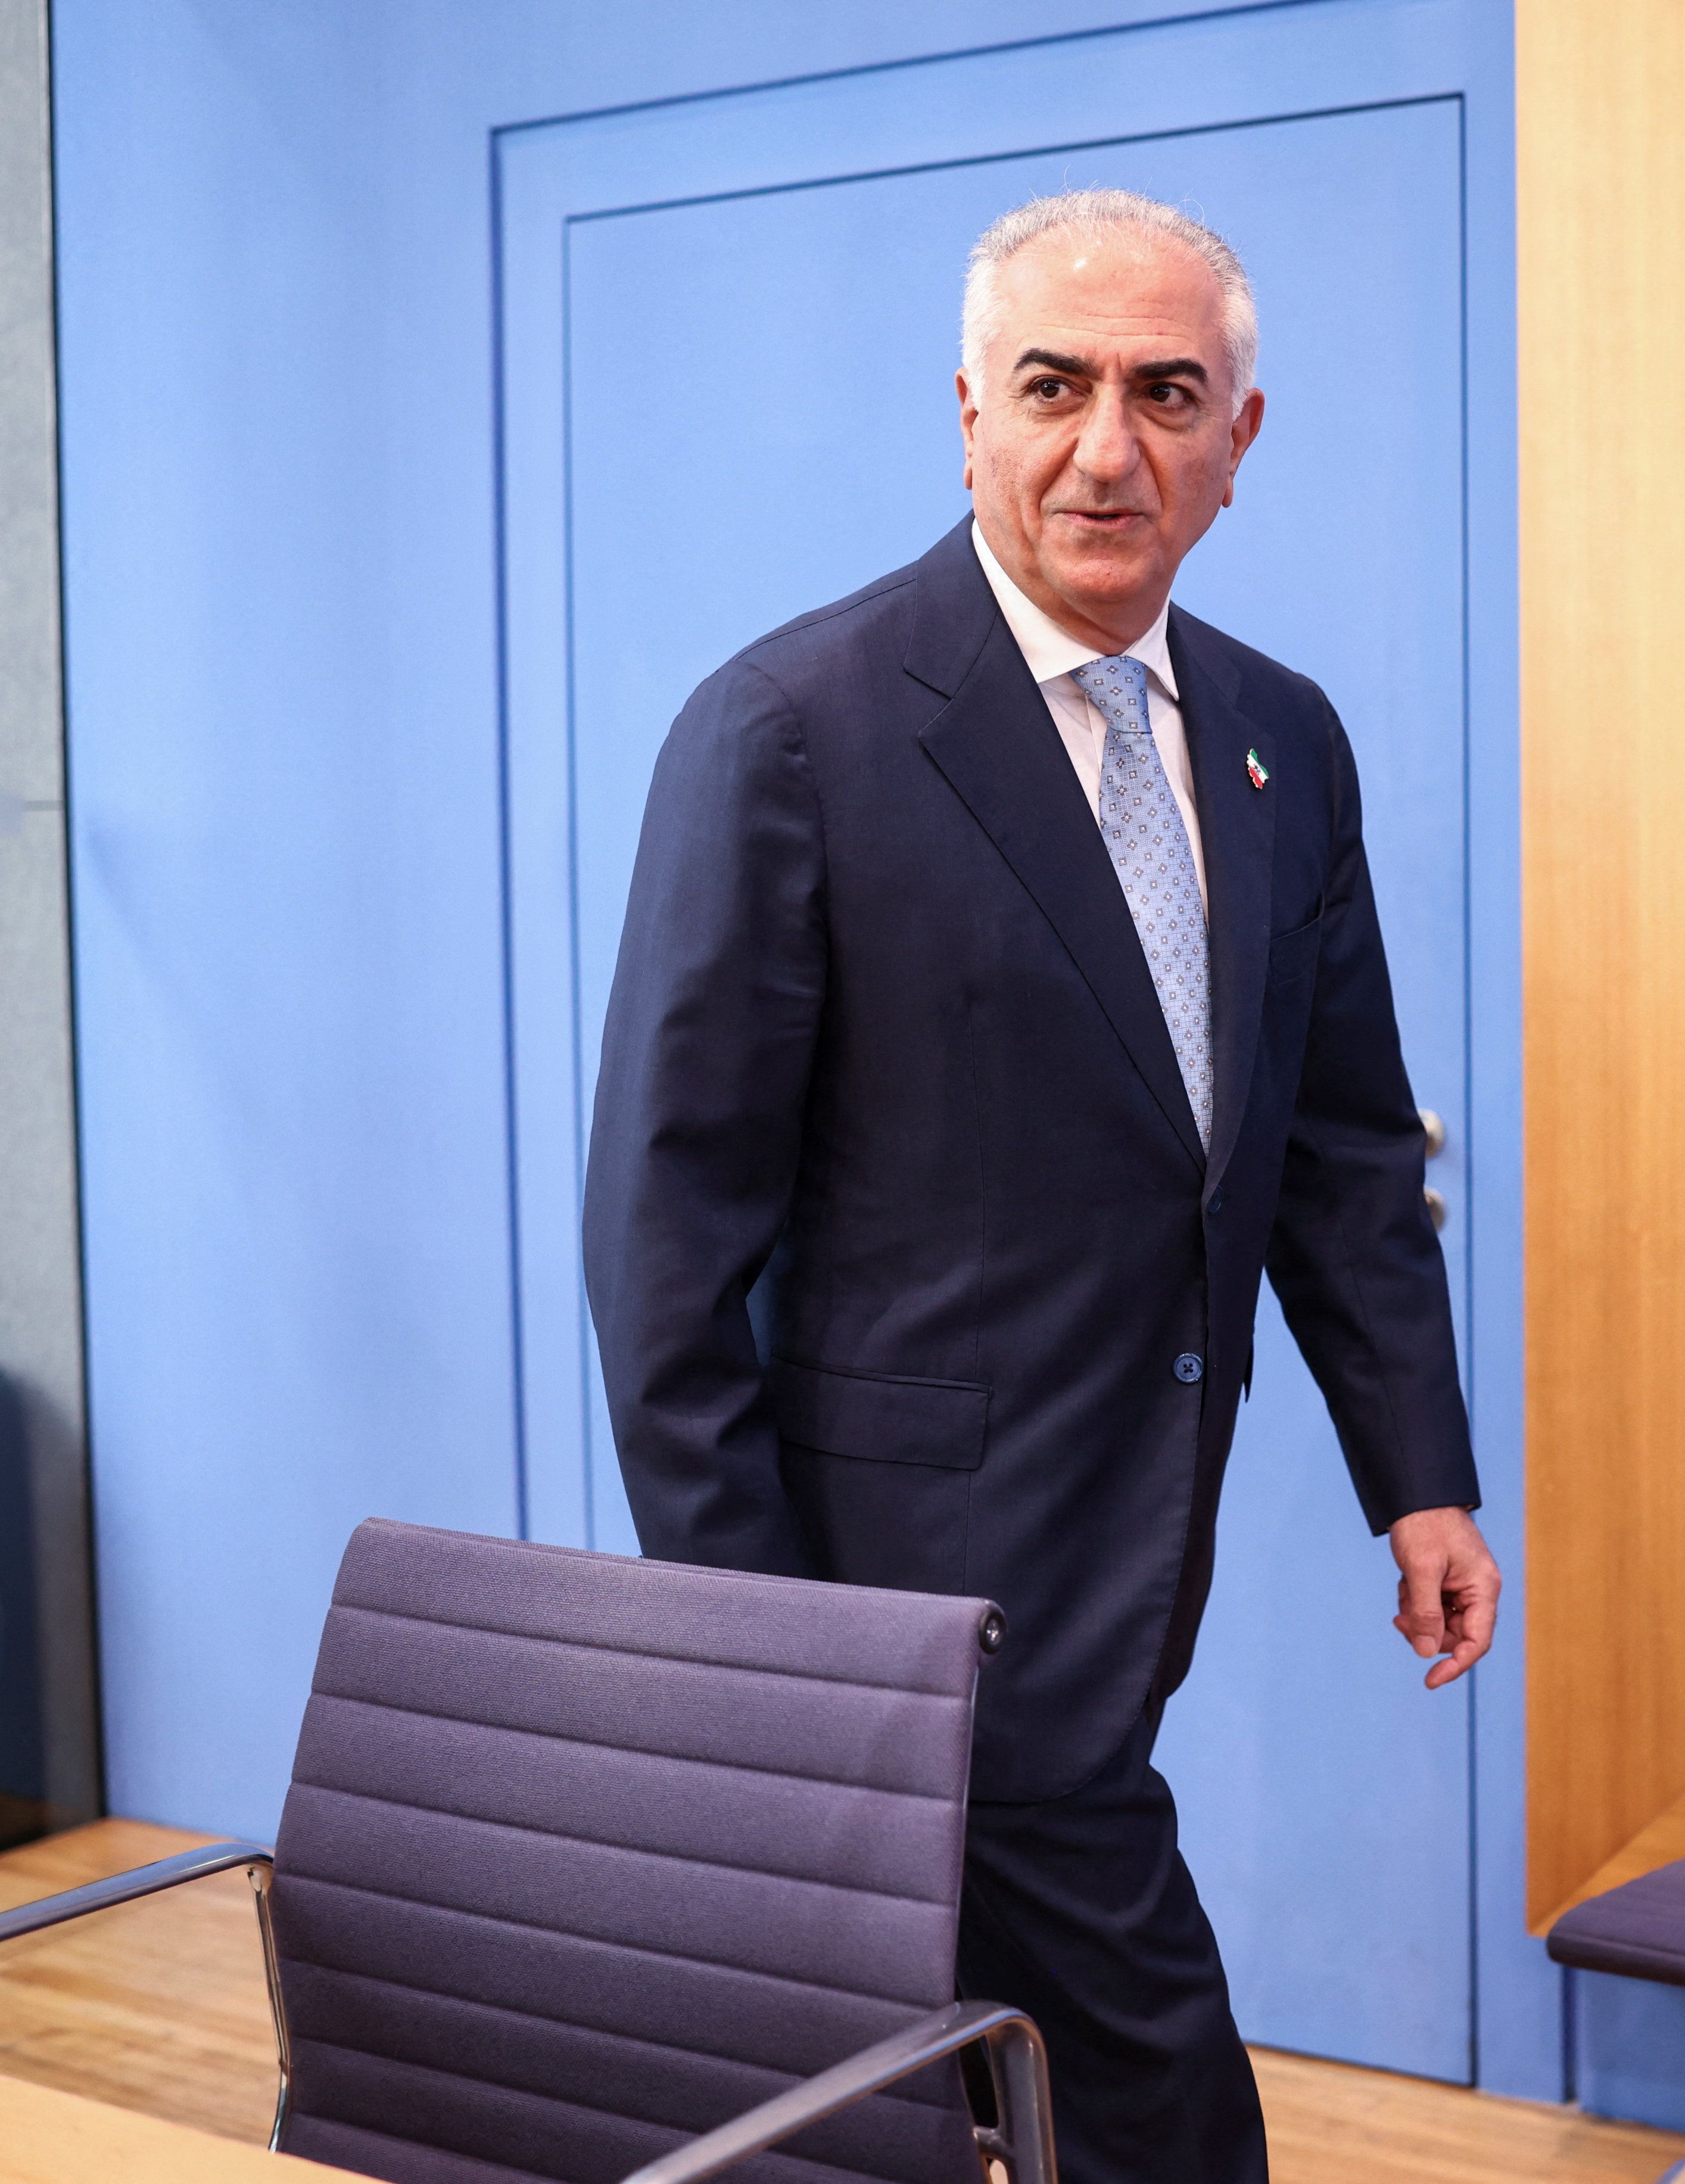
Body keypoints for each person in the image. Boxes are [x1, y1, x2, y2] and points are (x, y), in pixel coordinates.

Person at [580, 188, 1497, 2184]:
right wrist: (769, 1661)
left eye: (1165, 393)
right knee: (1152, 2092)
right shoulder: (791, 729)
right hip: (902, 1599)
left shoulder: (1280, 739)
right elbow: (666, 1246)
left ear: (1239, 437)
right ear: (968, 415)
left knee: (937, 2098)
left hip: (1139, 1543)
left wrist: (1417, 1472)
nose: (1107, 448)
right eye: (1054, 386)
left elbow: (1337, 1143)